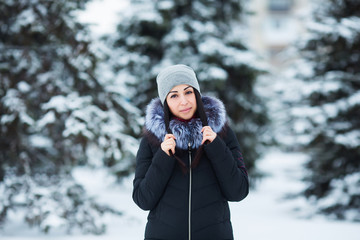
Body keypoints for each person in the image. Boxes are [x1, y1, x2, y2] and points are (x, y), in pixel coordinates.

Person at [132, 64, 249, 240]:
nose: (184, 101)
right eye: (174, 95)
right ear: (165, 102)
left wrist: (216, 146)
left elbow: (238, 191)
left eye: (188, 92)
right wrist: (164, 157)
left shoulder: (221, 133)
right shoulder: (152, 140)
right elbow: (143, 199)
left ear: (197, 94)